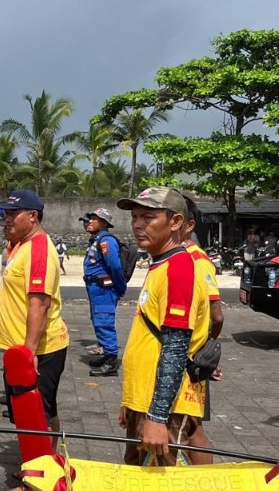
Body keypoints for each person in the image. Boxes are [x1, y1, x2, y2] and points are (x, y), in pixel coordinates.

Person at [116, 187, 210, 466]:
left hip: (164, 408)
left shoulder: (179, 268)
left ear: (176, 222)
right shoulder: (161, 264)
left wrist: (157, 417)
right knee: (136, 479)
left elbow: (176, 348)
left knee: (161, 480)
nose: (137, 224)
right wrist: (130, 401)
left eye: (148, 217)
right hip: (143, 399)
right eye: (134, 217)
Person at [0, 189, 69, 434]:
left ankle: (44, 467)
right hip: (21, 348)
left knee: (39, 415)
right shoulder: (23, 245)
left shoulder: (38, 250)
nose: (7, 218)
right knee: (27, 413)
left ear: (33, 216)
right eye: (6, 213)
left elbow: (40, 304)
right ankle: (35, 463)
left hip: (39, 350)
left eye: (14, 213)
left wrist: (29, 353)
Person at [179, 195, 223, 465]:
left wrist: (202, 351)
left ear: (186, 224)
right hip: (180, 355)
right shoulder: (174, 258)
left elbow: (216, 315)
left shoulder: (197, 260)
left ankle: (202, 480)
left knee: (191, 427)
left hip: (188, 357)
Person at [79, 208, 128, 377]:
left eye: (94, 219)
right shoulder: (96, 239)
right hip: (95, 289)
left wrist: (120, 288)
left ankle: (111, 363)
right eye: (89, 219)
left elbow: (115, 266)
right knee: (98, 320)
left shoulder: (106, 240)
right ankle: (107, 354)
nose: (89, 222)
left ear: (104, 223)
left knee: (104, 322)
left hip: (104, 289)